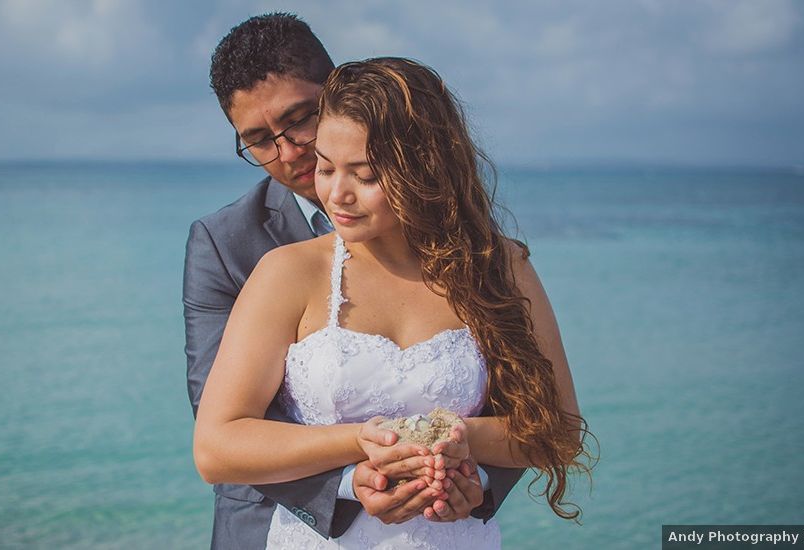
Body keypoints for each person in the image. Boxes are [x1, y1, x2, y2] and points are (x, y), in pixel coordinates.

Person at [193, 57, 593, 549]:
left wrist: (464, 449)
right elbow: (216, 446)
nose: (336, 194)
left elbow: (559, 428)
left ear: (422, 168)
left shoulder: (499, 266)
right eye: (325, 167)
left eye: (363, 175)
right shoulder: (287, 272)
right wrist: (360, 443)